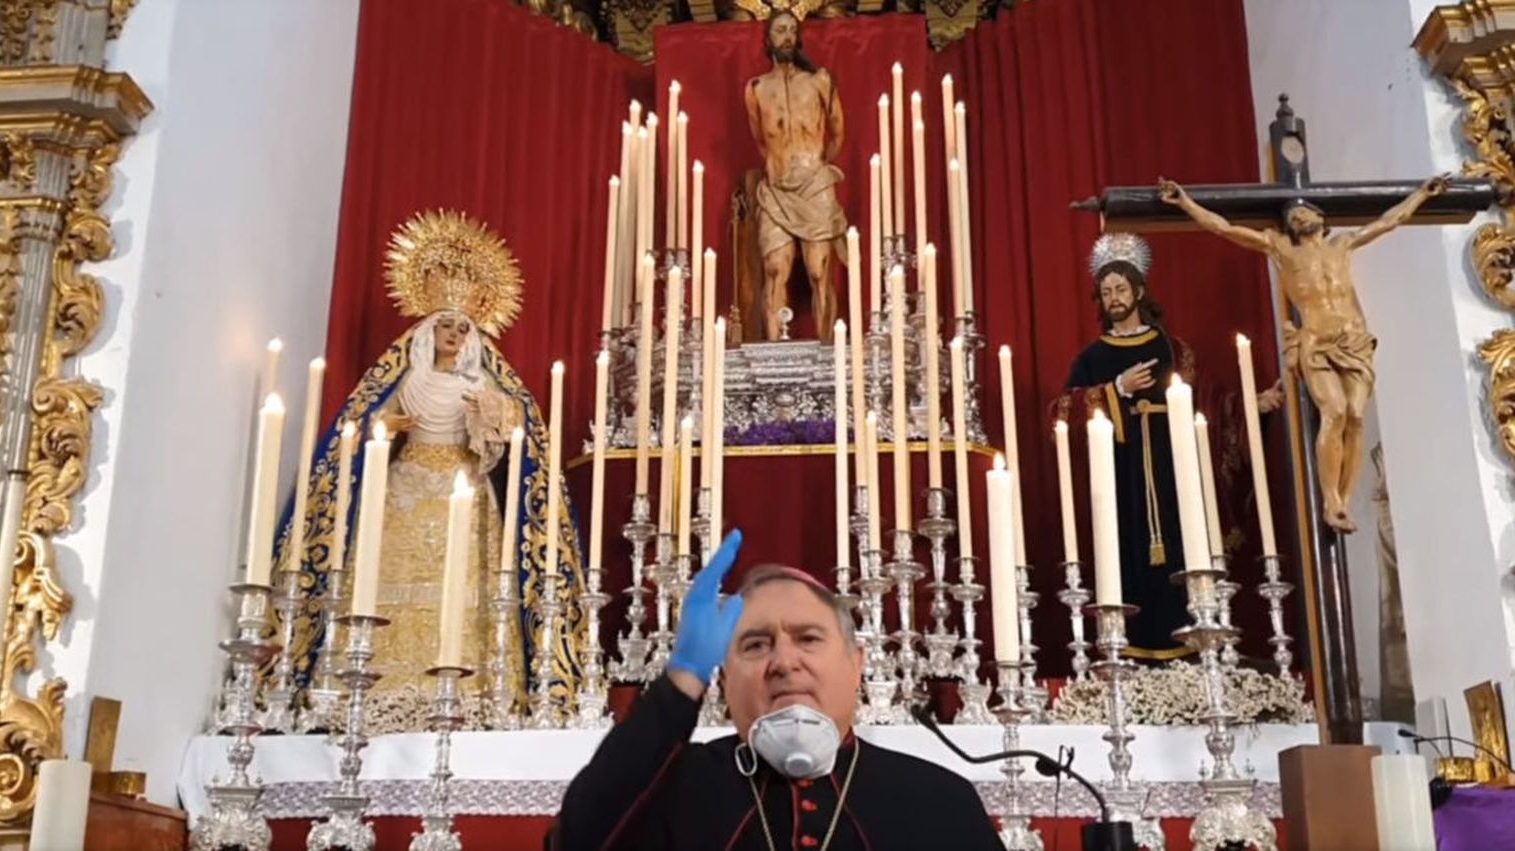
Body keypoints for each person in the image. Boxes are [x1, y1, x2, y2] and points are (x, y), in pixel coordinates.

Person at [274, 210, 585, 732]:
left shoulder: (481, 385)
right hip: (406, 486)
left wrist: (490, 416)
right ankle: (373, 689)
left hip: (463, 487)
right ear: (425, 330)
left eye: (463, 329)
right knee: (382, 574)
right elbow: (366, 424)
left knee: (466, 587)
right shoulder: (408, 376)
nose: (454, 335)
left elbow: (513, 433)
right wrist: (386, 424)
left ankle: (473, 690)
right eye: (445, 326)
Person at [551, 531, 1006, 850]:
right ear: (724, 680)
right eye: (755, 644)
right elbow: (579, 838)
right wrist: (681, 679)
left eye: (808, 638)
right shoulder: (670, 789)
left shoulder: (938, 798)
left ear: (857, 666)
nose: (784, 662)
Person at [1159, 174, 1448, 532]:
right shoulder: (1281, 249)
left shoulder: (1342, 244)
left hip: (1354, 341)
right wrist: (1186, 203)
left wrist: (1421, 195)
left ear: (1323, 220)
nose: (1298, 215)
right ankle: (1332, 500)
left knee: (1356, 415)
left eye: (1306, 210)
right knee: (1335, 410)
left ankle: (1344, 497)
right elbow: (1225, 228)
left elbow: (1390, 221)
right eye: (1293, 214)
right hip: (1316, 342)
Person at [1052, 234, 1283, 659]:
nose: (1114, 298)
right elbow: (1062, 413)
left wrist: (1254, 405)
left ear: (1139, 290)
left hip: (1174, 470)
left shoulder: (1173, 351)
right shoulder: (1092, 357)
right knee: (1125, 552)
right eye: (1106, 292)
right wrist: (1116, 389)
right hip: (1121, 480)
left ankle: (1193, 642)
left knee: (1183, 546)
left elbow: (1212, 408)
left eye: (1121, 288)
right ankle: (1130, 649)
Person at [744, 10, 847, 341]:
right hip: (777, 189)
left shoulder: (820, 82)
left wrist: (814, 169)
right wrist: (781, 168)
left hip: (814, 184)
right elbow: (762, 140)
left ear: (798, 37)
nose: (786, 36)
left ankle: (829, 350)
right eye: (779, 30)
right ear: (768, 39)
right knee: (775, 270)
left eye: (791, 30)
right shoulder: (756, 88)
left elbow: (837, 132)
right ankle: (774, 351)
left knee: (819, 271)